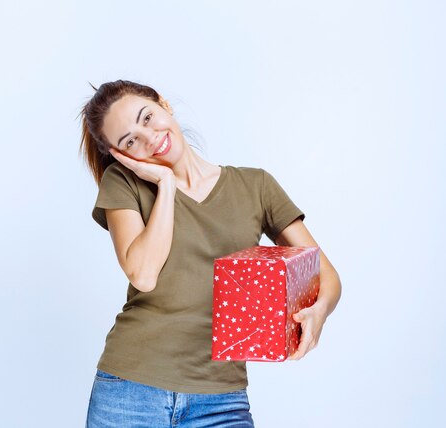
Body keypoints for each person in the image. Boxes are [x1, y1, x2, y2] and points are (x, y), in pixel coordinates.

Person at [78, 79, 341, 427]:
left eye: (147, 117)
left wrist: (318, 313)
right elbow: (143, 273)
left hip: (221, 398)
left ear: (164, 104)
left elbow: (325, 274)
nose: (149, 137)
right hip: (131, 391)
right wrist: (166, 185)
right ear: (122, 155)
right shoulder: (123, 184)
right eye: (130, 142)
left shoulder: (255, 186)